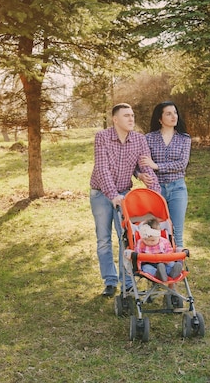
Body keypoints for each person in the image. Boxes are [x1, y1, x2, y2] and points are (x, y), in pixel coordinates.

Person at [90, 103, 160, 297]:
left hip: (125, 193)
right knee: (104, 239)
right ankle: (110, 281)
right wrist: (113, 196)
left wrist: (156, 196)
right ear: (115, 119)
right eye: (126, 116)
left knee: (127, 239)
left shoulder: (139, 139)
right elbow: (102, 169)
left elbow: (145, 168)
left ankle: (127, 283)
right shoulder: (102, 137)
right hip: (101, 194)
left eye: (132, 115)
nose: (131, 119)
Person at [139, 101, 191, 250]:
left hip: (177, 188)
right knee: (156, 230)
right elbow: (139, 163)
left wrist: (156, 166)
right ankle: (160, 267)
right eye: (168, 113)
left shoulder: (184, 138)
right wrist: (140, 175)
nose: (173, 116)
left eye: (175, 113)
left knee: (176, 231)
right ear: (160, 119)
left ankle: (179, 268)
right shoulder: (148, 138)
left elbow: (182, 164)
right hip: (156, 189)